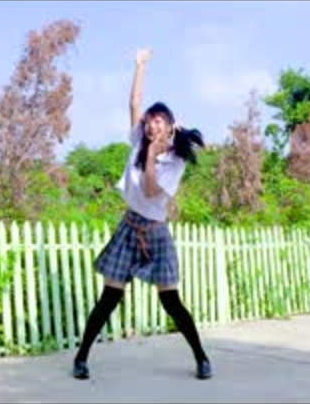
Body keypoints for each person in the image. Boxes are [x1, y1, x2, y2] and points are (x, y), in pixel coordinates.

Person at [72, 48, 212, 380]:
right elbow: (134, 102)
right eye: (149, 121)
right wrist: (140, 65)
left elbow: (150, 191)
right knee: (109, 298)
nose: (151, 124)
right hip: (130, 226)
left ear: (171, 126)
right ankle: (81, 359)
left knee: (171, 302)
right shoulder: (139, 139)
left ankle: (202, 358)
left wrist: (151, 156)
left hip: (156, 232)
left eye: (158, 120)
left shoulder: (176, 160)